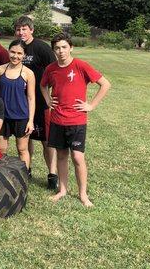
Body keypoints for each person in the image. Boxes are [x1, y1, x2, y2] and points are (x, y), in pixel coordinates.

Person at [41, 33, 110, 207]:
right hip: (57, 119)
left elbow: (105, 84)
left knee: (78, 158)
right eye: (57, 48)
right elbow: (43, 85)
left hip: (77, 120)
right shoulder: (51, 69)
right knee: (62, 156)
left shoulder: (80, 65)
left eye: (64, 47)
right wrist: (48, 100)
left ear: (71, 47)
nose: (61, 51)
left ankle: (83, 194)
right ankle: (63, 190)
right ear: (53, 50)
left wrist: (91, 105)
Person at [14, 15, 58, 189]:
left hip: (41, 103)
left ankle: (52, 175)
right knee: (26, 138)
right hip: (22, 103)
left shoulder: (41, 48)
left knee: (46, 140)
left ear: (31, 30)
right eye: (18, 29)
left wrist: (52, 95)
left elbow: (55, 70)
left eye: (24, 29)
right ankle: (27, 170)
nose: (21, 32)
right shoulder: (17, 48)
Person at [0, 39, 36, 170]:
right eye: (12, 52)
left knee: (22, 149)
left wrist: (30, 121)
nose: (15, 56)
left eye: (19, 53)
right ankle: (1, 175)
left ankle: (24, 176)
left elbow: (31, 98)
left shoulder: (28, 73)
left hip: (21, 116)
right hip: (2, 116)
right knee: (1, 149)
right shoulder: (1, 69)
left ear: (24, 55)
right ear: (8, 51)